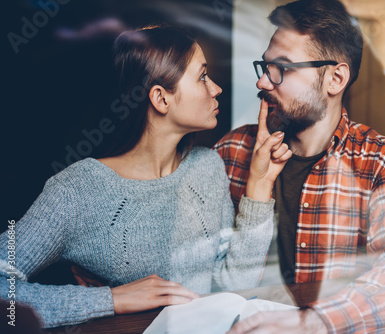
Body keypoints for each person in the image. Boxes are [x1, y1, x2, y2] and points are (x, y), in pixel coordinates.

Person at [0, 25, 292, 328]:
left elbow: (233, 287)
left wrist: (260, 185)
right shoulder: (77, 189)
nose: (215, 88)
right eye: (202, 77)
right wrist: (111, 299)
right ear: (160, 98)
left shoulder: (208, 166)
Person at [215, 1, 385, 333]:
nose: (263, 83)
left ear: (335, 78)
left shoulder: (383, 163)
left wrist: (314, 322)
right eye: (265, 66)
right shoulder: (233, 150)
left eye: (282, 68)